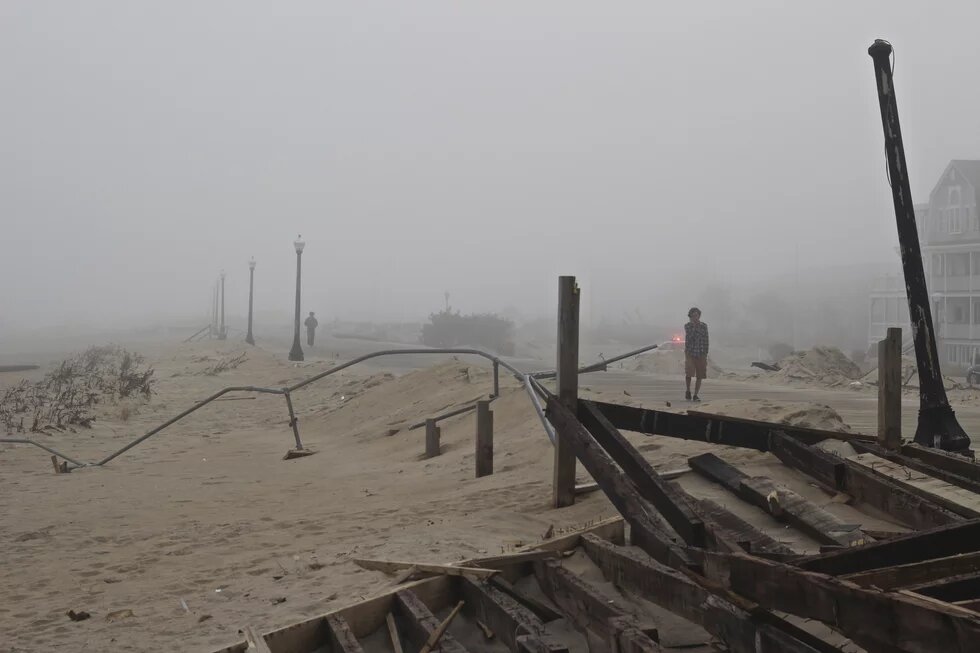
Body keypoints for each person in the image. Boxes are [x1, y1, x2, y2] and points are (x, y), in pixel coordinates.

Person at [684, 307, 709, 402]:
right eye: (693, 316)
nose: (695, 317)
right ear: (690, 317)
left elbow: (706, 339)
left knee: (700, 374)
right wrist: (694, 326)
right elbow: (690, 337)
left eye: (697, 315)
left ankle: (695, 394)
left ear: (699, 316)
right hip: (690, 352)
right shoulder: (687, 326)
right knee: (689, 372)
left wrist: (706, 352)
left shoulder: (704, 326)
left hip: (701, 353)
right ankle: (688, 390)